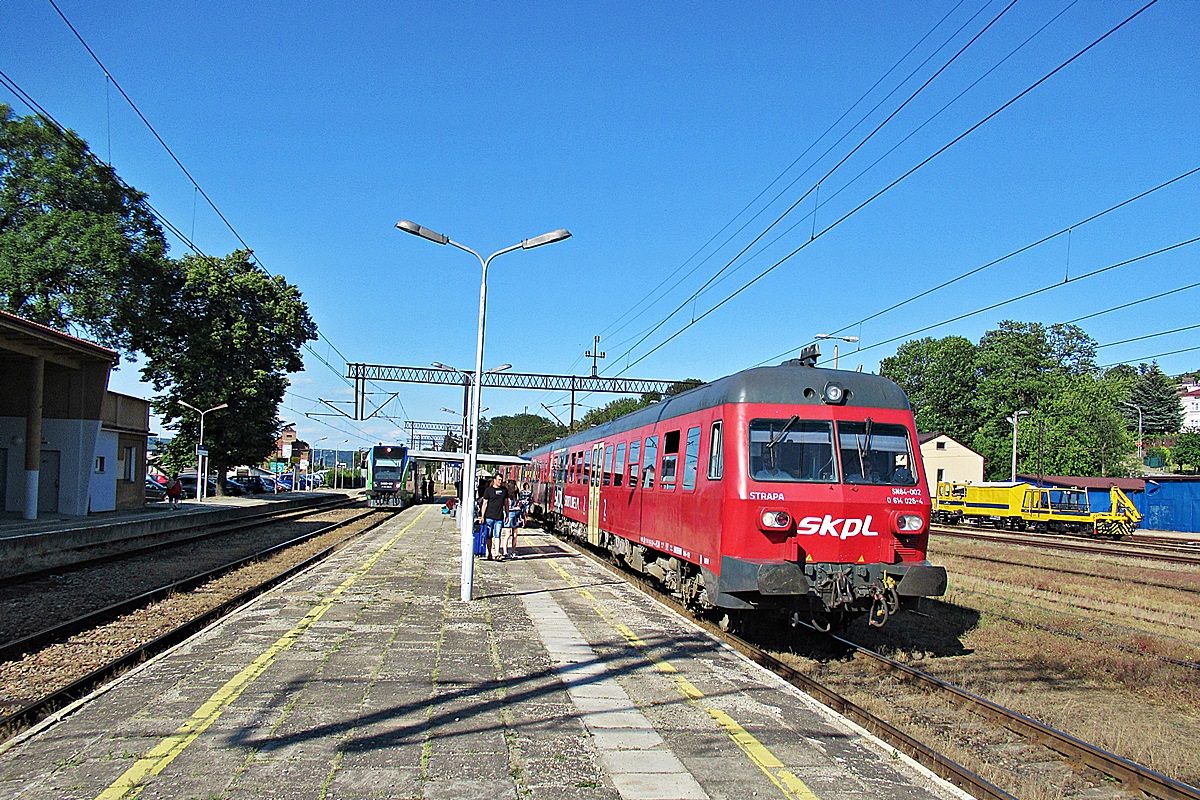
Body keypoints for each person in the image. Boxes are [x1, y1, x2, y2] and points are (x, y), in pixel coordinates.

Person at [478, 473, 509, 561]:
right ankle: (490, 553)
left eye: (501, 480)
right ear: (494, 480)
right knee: (489, 536)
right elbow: (485, 504)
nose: (500, 482)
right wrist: (482, 516)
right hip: (489, 517)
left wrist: (507, 515)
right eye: (499, 480)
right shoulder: (488, 490)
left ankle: (497, 553)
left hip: (499, 517)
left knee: (497, 535)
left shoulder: (504, 490)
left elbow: (506, 503)